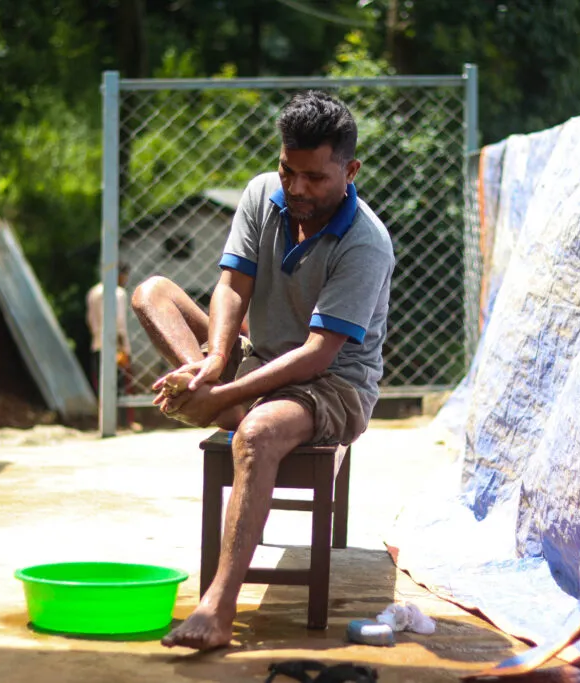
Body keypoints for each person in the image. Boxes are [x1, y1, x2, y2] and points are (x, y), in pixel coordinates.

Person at [131, 90, 394, 651]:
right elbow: (232, 285)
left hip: (333, 386)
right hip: (261, 356)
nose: (297, 188)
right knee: (153, 293)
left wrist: (225, 389)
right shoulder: (262, 194)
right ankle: (210, 391)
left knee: (254, 434)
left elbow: (319, 354)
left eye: (316, 178)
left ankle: (218, 608)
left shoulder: (365, 242)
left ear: (350, 171)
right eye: (288, 170)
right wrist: (214, 363)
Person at [85, 265, 131, 393]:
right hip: (115, 347)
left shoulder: (93, 292)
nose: (126, 279)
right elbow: (119, 322)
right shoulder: (118, 293)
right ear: (118, 275)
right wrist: (123, 349)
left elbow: (89, 320)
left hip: (97, 345)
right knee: (119, 390)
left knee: (101, 389)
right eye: (125, 275)